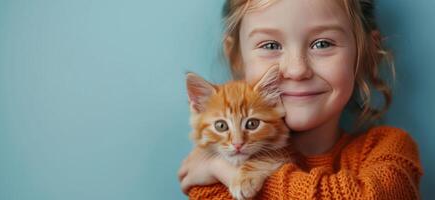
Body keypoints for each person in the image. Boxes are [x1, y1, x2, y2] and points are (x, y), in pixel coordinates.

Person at [178, 0, 423, 199]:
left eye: (322, 43)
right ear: (237, 60)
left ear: (365, 53)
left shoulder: (389, 150)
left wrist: (231, 173)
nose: (296, 70)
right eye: (270, 45)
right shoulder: (211, 170)